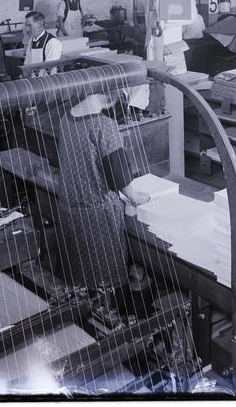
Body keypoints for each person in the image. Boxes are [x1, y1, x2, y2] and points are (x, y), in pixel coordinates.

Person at [54, 90, 149, 318]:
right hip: (99, 217)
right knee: (107, 283)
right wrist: (135, 197)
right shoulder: (104, 126)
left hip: (69, 211)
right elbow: (119, 175)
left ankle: (85, 319)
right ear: (109, 95)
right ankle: (114, 320)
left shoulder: (66, 118)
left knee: (80, 281)